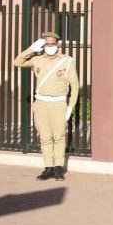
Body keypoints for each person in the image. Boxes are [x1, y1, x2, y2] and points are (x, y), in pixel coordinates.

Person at [14, 31, 80, 181]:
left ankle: (58, 168)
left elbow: (75, 86)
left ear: (58, 45)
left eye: (53, 44)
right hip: (41, 104)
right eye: (47, 44)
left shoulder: (66, 61)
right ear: (44, 46)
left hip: (58, 103)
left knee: (59, 136)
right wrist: (31, 49)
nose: (50, 47)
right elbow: (17, 62)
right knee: (44, 137)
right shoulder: (37, 59)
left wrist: (70, 107)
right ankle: (48, 167)